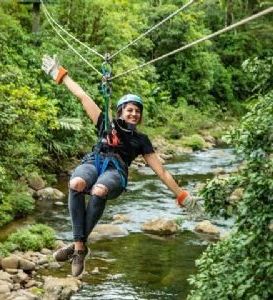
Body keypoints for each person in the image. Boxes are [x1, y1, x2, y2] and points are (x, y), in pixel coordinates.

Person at [41, 54, 203, 277]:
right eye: (129, 110)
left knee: (99, 190)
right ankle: (80, 247)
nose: (134, 113)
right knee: (76, 182)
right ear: (120, 111)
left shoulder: (141, 140)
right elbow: (82, 96)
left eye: (137, 111)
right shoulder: (105, 122)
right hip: (94, 162)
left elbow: (161, 172)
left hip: (116, 172)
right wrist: (60, 73)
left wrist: (183, 197)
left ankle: (77, 248)